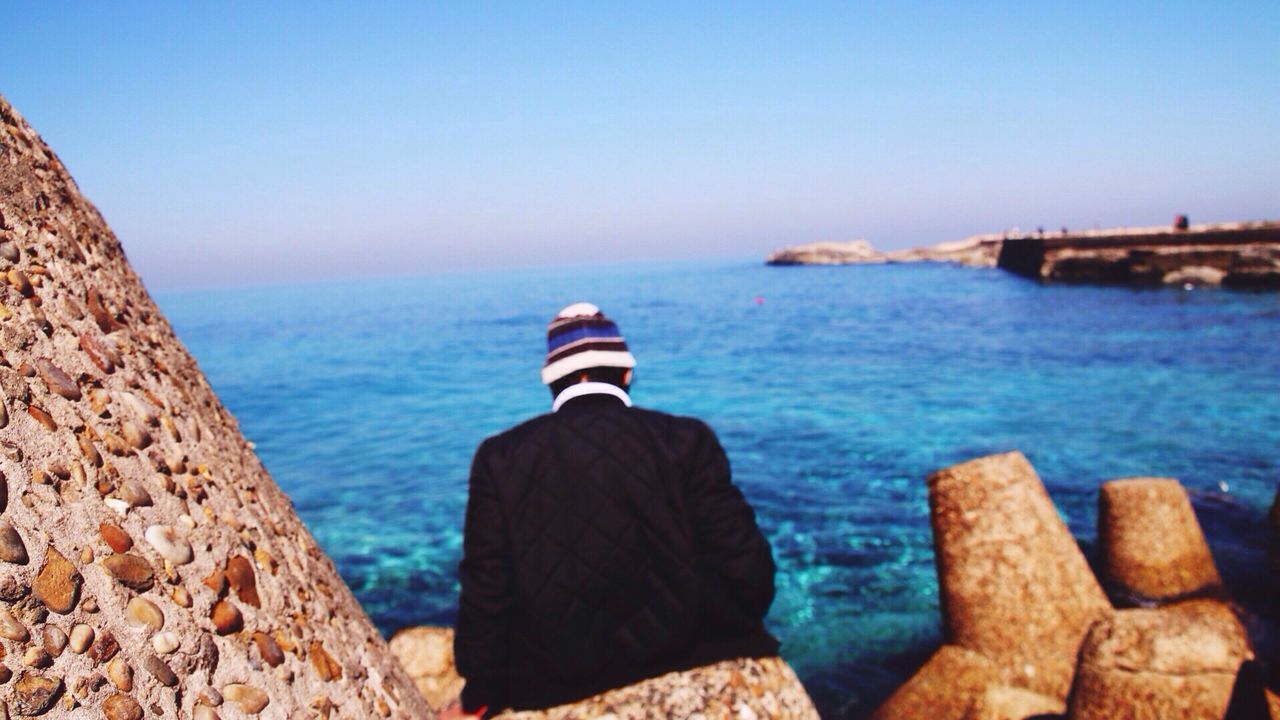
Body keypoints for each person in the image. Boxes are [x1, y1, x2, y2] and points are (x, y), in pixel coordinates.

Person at [452, 302, 778, 717]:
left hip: (553, 683)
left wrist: (479, 694)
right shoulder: (687, 439)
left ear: (552, 383)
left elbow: (486, 595)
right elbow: (750, 574)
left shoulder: (499, 458)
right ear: (626, 374)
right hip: (693, 654)